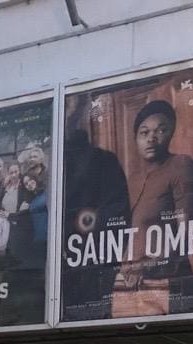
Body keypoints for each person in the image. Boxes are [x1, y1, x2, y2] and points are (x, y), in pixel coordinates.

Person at [62, 93, 131, 319]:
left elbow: (117, 218)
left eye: (72, 105)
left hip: (91, 265)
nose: (68, 114)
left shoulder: (104, 161)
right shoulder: (51, 164)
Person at [120, 100, 193, 292]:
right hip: (127, 284)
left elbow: (185, 234)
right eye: (144, 132)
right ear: (136, 138)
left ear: (171, 133)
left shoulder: (181, 166)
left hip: (165, 282)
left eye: (160, 130)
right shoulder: (131, 180)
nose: (151, 138)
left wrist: (147, 268)